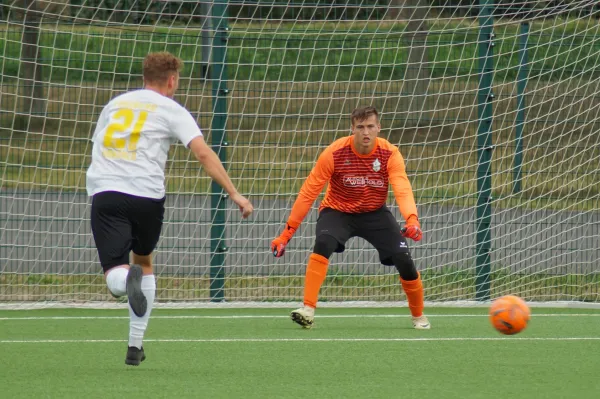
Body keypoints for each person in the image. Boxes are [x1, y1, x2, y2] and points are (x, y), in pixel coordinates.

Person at [86, 52, 253, 365]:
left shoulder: (115, 104)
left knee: (115, 273)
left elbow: (98, 145)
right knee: (144, 261)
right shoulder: (172, 110)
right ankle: (135, 345)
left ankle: (124, 281)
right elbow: (204, 154)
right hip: (148, 197)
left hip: (107, 191)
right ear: (172, 80)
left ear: (144, 76)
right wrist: (235, 193)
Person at [271, 106, 428, 330]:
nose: (366, 132)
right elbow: (308, 193)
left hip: (375, 213)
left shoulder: (389, 153)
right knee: (323, 243)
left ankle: (419, 317)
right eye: (360, 127)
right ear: (352, 129)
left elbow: (402, 188)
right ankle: (308, 309)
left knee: (403, 259)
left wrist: (412, 220)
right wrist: (286, 235)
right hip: (338, 211)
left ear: (378, 128)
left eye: (370, 126)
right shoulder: (334, 153)